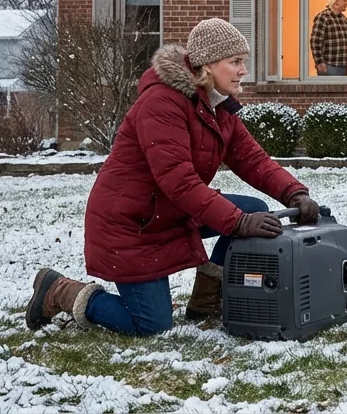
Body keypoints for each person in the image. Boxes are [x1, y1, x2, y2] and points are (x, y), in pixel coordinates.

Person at [25, 18, 325, 335]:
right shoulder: (161, 103)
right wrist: (235, 222)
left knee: (254, 210)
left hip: (170, 212)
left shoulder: (217, 107)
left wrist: (295, 194)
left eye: (243, 62)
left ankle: (205, 303)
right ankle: (59, 290)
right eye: (235, 61)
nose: (243, 71)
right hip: (131, 225)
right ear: (208, 65)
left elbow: (252, 160)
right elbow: (179, 182)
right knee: (151, 325)